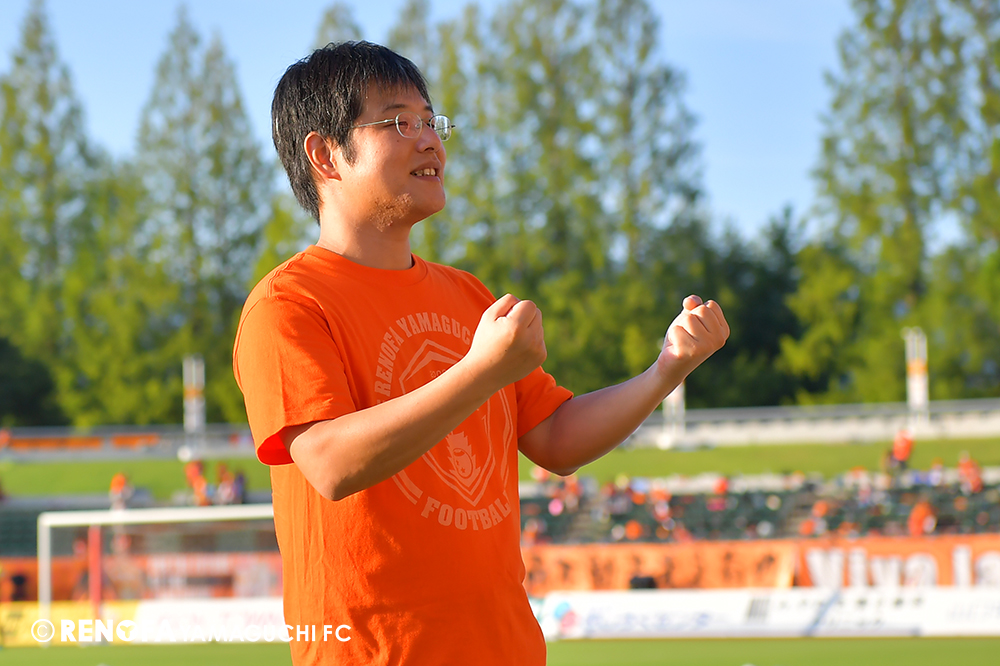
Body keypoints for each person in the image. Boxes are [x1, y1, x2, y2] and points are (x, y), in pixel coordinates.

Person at [233, 41, 729, 665]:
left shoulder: (466, 294)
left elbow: (556, 438)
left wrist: (667, 369)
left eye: (430, 121)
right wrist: (480, 371)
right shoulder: (288, 303)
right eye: (398, 123)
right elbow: (330, 463)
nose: (429, 141)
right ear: (325, 155)